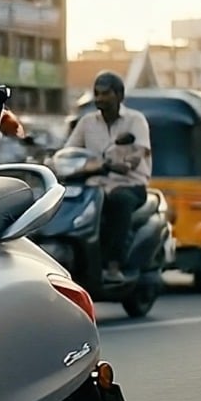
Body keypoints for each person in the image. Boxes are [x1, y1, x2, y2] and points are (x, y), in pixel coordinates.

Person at [64, 71, 152, 283]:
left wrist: (128, 163)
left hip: (130, 184)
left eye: (105, 93)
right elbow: (69, 150)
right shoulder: (87, 122)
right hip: (95, 185)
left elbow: (140, 151)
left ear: (119, 96)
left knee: (119, 201)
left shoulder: (135, 120)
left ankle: (114, 264)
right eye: (97, 93)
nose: (100, 98)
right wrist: (56, 160)